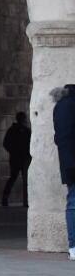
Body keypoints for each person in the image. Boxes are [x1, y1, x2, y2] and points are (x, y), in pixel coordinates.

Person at [53, 84, 75, 261]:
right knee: (73, 203)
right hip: (72, 163)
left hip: (68, 163)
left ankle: (74, 246)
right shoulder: (70, 106)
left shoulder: (61, 107)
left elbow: (59, 138)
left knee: (73, 202)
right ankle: (74, 246)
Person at [1, 111, 31, 208]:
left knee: (15, 178)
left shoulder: (15, 130)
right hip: (20, 158)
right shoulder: (23, 131)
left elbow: (6, 143)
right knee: (20, 179)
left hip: (18, 158)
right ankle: (25, 201)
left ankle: (6, 199)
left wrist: (13, 152)